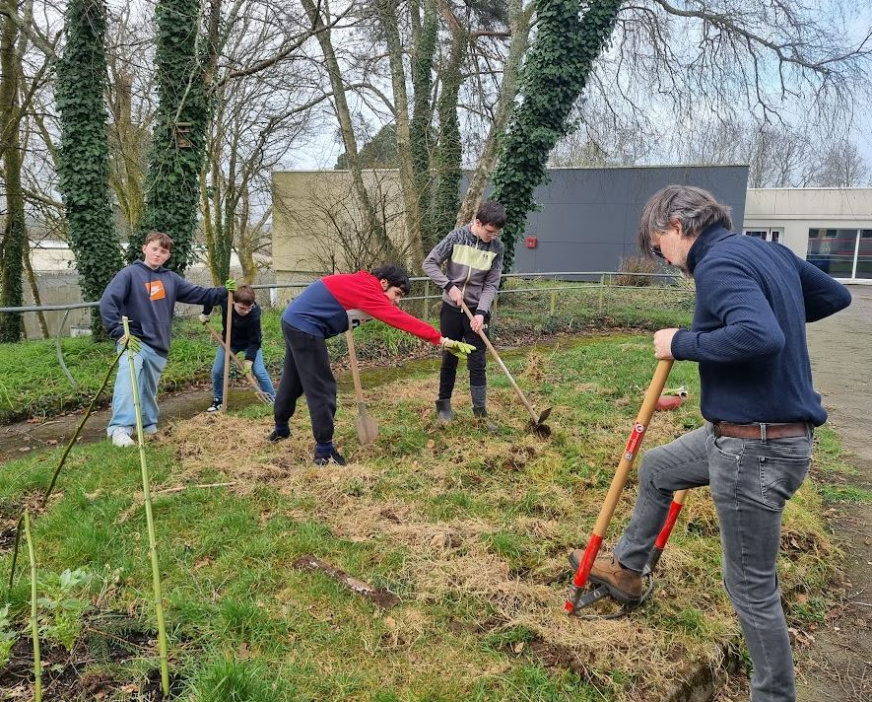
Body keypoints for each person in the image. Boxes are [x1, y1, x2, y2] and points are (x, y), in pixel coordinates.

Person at [568, 185, 851, 702]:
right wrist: (777, 308)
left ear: (676, 227)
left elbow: (761, 337)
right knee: (658, 467)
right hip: (741, 435)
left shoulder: (717, 265)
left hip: (754, 450)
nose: (665, 260)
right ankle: (629, 572)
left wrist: (682, 341)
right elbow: (835, 296)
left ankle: (773, 695)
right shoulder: (768, 252)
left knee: (751, 588)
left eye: (660, 248)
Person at [268, 264, 474, 466]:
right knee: (322, 387)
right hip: (306, 326)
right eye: (397, 293)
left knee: (293, 379)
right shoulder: (370, 291)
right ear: (384, 283)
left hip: (292, 320)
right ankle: (324, 452)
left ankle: (281, 429)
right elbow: (401, 320)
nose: (397, 300)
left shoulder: (362, 284)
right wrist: (442, 340)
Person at [100, 231, 236, 447]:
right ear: (145, 248)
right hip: (133, 341)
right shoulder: (129, 274)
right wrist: (119, 333)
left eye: (163, 251)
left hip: (158, 345)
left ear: (168, 256)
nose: (158, 254)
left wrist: (222, 292)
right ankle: (120, 428)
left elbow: (199, 294)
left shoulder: (171, 279)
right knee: (128, 382)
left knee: (148, 389)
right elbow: (108, 302)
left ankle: (148, 426)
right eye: (154, 249)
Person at [422, 201, 506, 429]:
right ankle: (443, 406)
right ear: (478, 223)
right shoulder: (456, 237)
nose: (492, 236)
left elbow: (491, 284)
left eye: (496, 233)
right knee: (450, 357)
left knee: (477, 361)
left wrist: (481, 313)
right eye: (489, 231)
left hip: (476, 312)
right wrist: (449, 286)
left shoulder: (497, 248)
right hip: (451, 309)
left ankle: (480, 413)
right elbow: (429, 264)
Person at [200, 284, 276, 411]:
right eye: (242, 308)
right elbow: (211, 297)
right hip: (228, 343)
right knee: (217, 371)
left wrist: (249, 360)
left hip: (249, 344)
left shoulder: (254, 313)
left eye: (249, 308)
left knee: (259, 372)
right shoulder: (227, 299)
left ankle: (274, 400)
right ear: (233, 302)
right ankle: (218, 400)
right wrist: (205, 313)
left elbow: (255, 340)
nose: (246, 311)